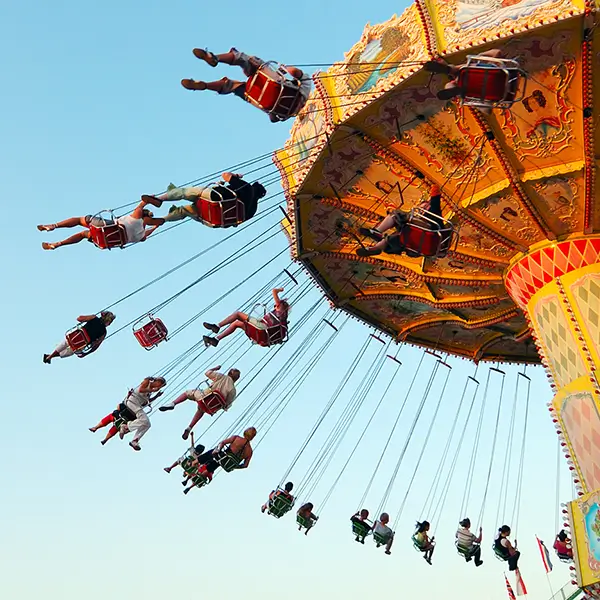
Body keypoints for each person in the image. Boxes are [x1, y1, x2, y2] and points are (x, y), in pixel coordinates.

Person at [181, 47, 312, 122]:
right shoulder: (292, 110)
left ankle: (215, 59)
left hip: (273, 85)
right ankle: (206, 85)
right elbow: (273, 118)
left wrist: (286, 68)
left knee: (246, 60)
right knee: (233, 86)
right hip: (266, 102)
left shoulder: (305, 90)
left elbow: (294, 71)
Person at [38, 195, 165, 250]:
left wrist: (149, 200)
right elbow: (146, 235)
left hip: (106, 227)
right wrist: (155, 226)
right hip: (106, 240)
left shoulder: (136, 217)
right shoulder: (141, 236)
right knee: (83, 234)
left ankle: (54, 226)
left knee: (80, 220)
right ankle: (57, 244)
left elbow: (141, 205)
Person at [356, 185, 450, 258]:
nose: (421, 210)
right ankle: (374, 248)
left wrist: (434, 189)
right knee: (394, 238)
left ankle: (377, 231)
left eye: (424, 207)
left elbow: (435, 199)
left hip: (430, 233)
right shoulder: (414, 227)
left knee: (397, 215)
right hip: (419, 244)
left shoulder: (434, 212)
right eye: (421, 209)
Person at [159, 365, 240, 440]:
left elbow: (207, 373)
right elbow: (227, 405)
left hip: (203, 398)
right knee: (201, 410)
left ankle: (173, 403)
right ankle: (189, 428)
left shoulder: (222, 377)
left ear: (229, 373)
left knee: (188, 393)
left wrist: (215, 368)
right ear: (236, 379)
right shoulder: (233, 390)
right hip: (211, 408)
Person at [152, 173, 266, 224]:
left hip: (214, 199)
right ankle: (164, 219)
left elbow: (225, 175)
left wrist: (235, 177)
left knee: (185, 193)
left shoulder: (247, 188)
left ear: (253, 186)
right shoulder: (253, 211)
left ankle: (160, 199)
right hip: (213, 219)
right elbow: (236, 223)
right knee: (184, 211)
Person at [203, 287, 290, 348]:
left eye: (275, 305)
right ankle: (216, 339)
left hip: (262, 328)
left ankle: (217, 326)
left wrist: (280, 290)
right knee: (236, 323)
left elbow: (274, 291)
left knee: (238, 314)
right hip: (263, 335)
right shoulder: (281, 318)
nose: (274, 306)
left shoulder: (280, 308)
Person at [182, 427, 256, 494]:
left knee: (211, 453)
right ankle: (202, 474)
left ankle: (193, 463)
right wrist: (234, 466)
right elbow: (245, 465)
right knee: (215, 464)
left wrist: (218, 449)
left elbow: (222, 442)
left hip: (222, 456)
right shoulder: (250, 451)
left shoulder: (236, 438)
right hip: (225, 463)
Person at [425, 49, 505, 102]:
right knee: (464, 69)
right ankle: (449, 70)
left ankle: (450, 73)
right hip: (492, 76)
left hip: (490, 90)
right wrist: (481, 54)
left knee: (452, 82)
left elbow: (488, 111)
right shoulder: (495, 67)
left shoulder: (472, 93)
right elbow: (498, 52)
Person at [115, 377, 167, 451]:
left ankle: (135, 440)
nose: (159, 387)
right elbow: (141, 390)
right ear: (158, 381)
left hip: (137, 405)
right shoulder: (147, 381)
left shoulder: (150, 392)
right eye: (160, 385)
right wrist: (152, 390)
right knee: (145, 420)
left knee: (147, 424)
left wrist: (156, 396)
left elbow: (147, 400)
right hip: (132, 402)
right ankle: (126, 427)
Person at [43, 311, 115, 364]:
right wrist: (85, 353)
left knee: (65, 343)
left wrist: (89, 318)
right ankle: (49, 357)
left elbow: (79, 318)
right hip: (80, 345)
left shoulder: (94, 318)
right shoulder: (103, 333)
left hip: (75, 336)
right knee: (69, 352)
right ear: (108, 322)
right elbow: (95, 346)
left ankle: (49, 356)